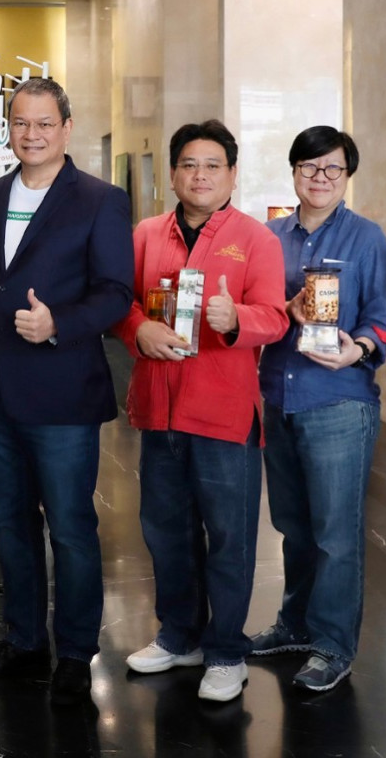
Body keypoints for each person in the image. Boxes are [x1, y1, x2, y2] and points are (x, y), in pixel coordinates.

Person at [0, 77, 134, 705]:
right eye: (21, 123)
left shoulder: (100, 200)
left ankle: (76, 652)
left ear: (66, 127)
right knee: (10, 524)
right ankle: (25, 640)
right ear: (9, 127)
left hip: (61, 394)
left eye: (44, 123)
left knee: (70, 528)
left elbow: (116, 292)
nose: (31, 135)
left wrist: (59, 323)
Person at [115, 120, 288, 702]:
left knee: (229, 537)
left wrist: (236, 318)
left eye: (213, 165)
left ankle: (226, 652)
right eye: (189, 164)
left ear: (232, 174)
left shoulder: (256, 239)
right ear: (172, 174)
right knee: (165, 531)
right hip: (158, 408)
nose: (200, 175)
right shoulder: (146, 234)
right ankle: (179, 635)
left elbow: (275, 317)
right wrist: (139, 330)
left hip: (222, 412)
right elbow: (122, 303)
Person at [247, 127, 386, 691]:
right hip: (279, 396)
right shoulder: (269, 238)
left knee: (336, 534)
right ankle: (295, 624)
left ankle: (333, 645)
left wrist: (359, 348)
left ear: (347, 175)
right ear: (293, 171)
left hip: (338, 401)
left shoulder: (367, 238)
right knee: (293, 526)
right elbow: (258, 310)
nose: (320, 178)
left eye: (333, 168)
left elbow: (382, 317)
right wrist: (282, 309)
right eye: (309, 166)